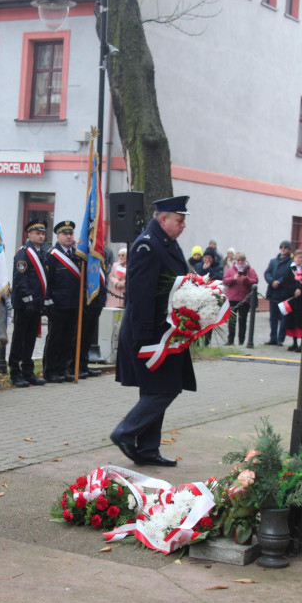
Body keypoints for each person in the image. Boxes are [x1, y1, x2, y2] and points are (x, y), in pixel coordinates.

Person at [111, 195, 195, 468]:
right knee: (164, 389)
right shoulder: (148, 246)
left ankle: (148, 449)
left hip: (165, 332)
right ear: (163, 219)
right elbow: (141, 295)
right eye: (179, 221)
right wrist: (144, 336)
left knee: (155, 389)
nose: (183, 226)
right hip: (149, 333)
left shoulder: (166, 243)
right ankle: (125, 432)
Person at [8, 219, 49, 388]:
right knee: (19, 338)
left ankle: (28, 371)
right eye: (37, 233)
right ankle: (15, 372)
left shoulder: (43, 253)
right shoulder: (23, 253)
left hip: (37, 304)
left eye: (43, 233)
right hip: (24, 304)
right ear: (29, 234)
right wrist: (29, 299)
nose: (40, 236)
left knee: (31, 338)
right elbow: (20, 279)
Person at [43, 220, 81, 383]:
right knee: (55, 338)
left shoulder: (77, 255)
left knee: (68, 338)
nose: (68, 236)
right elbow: (47, 281)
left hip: (73, 303)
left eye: (71, 233)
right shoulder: (51, 256)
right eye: (65, 234)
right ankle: (50, 370)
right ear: (58, 236)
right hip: (57, 304)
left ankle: (62, 368)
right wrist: (48, 301)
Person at [222, 251, 258, 346]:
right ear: (235, 260)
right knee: (231, 321)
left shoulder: (250, 270)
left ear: (245, 260)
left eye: (242, 260)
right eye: (238, 260)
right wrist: (233, 278)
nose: (240, 262)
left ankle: (241, 341)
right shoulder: (231, 270)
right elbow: (225, 280)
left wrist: (246, 279)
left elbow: (255, 280)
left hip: (244, 298)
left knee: (243, 321)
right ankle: (230, 340)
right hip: (232, 298)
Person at [264, 240, 293, 346]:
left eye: (285, 247)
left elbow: (288, 275)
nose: (283, 249)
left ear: (289, 249)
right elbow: (267, 273)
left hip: (284, 294)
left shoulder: (291, 262)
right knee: (273, 318)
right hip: (273, 293)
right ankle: (273, 338)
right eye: (282, 247)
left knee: (284, 318)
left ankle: (280, 339)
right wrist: (272, 281)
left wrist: (279, 282)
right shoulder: (273, 261)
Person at [279, 249, 302, 352]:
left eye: (300, 257)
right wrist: (293, 290)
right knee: (292, 321)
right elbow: (285, 282)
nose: (298, 259)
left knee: (301, 321)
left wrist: (301, 289)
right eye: (296, 257)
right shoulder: (290, 270)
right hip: (293, 299)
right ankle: (294, 342)